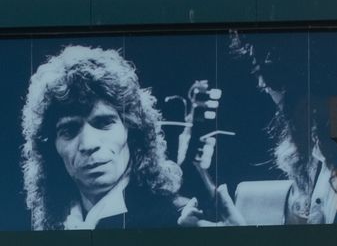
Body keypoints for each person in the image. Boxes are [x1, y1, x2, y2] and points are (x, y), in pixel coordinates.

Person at [22, 45, 234, 231]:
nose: (89, 144)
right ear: (52, 148)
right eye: (69, 130)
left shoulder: (179, 219)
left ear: (132, 130)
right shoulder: (49, 225)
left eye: (104, 123)